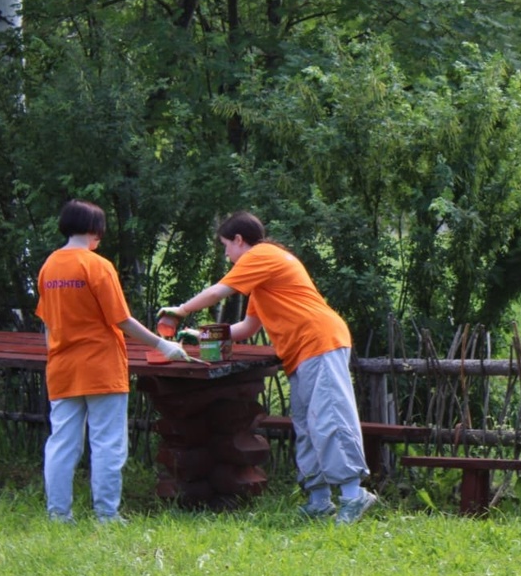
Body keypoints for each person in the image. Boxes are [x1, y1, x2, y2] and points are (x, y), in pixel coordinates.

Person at [159, 211, 376, 524]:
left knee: (329, 417)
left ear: (239, 240)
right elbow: (247, 327)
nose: (226, 254)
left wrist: (180, 311)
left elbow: (219, 291)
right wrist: (202, 334)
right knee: (306, 424)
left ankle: (355, 495)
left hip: (320, 341)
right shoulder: (260, 278)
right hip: (302, 351)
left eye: (226, 246)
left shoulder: (263, 254)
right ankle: (319, 501)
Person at [36, 199, 192, 524]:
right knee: (107, 443)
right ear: (96, 231)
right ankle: (106, 515)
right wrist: (163, 345)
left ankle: (58, 514)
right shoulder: (97, 265)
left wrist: (58, 353)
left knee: (62, 444)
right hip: (101, 367)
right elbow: (122, 320)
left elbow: (48, 325)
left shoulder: (49, 267)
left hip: (62, 368)